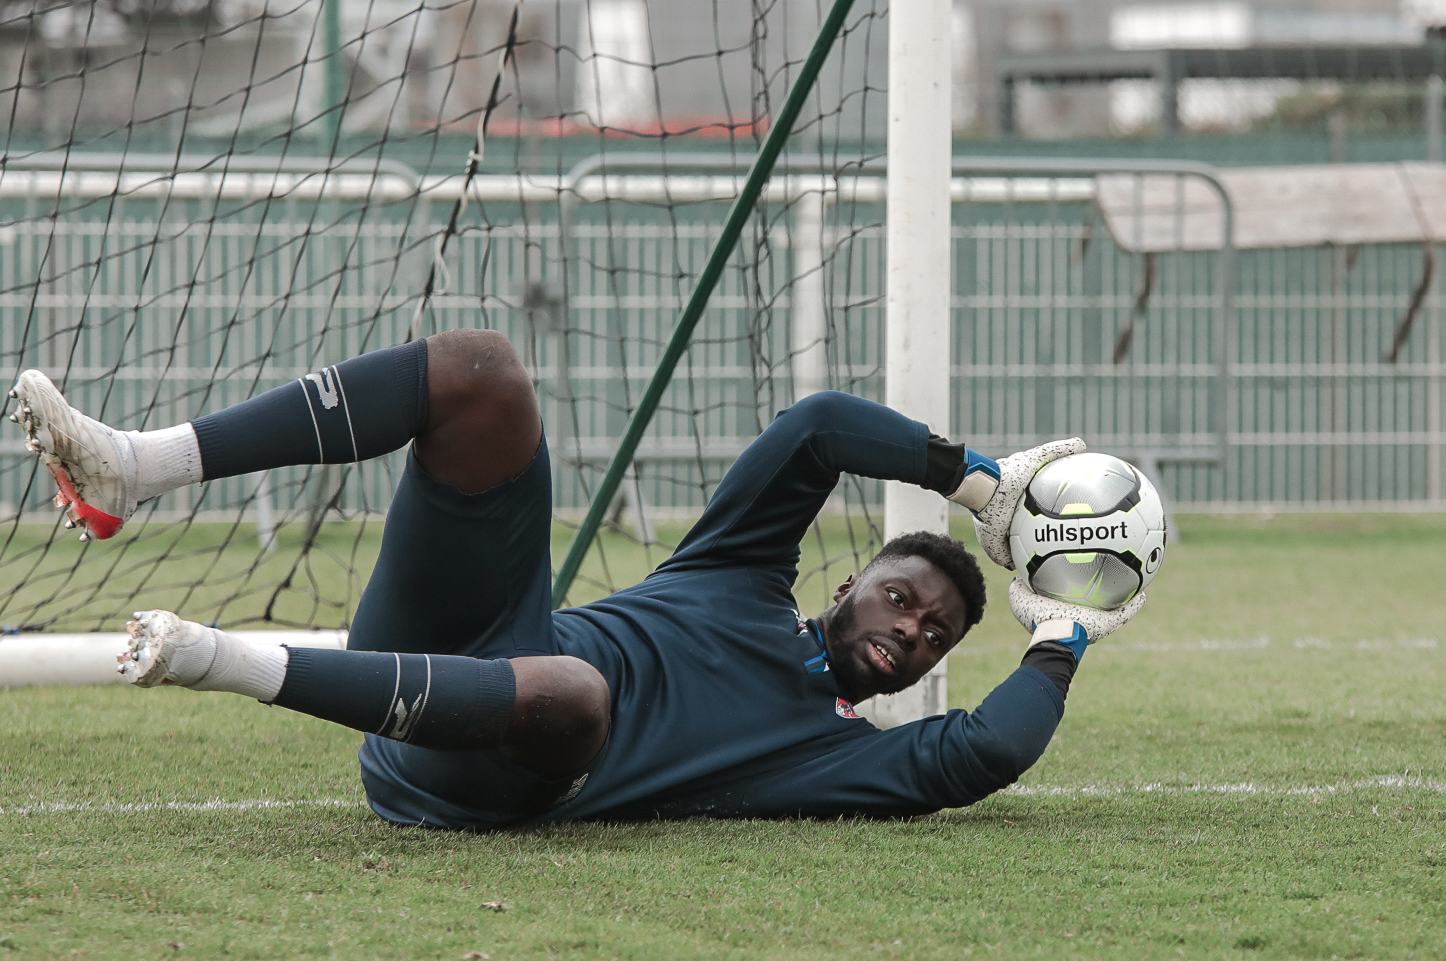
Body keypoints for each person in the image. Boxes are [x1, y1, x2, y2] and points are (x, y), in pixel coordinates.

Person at [8, 329, 1143, 828]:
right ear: (845, 584)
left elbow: (982, 756)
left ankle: (220, 661)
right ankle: (139, 468)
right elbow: (817, 426)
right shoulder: (740, 573)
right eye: (903, 596)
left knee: (573, 696)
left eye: (937, 635)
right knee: (483, 376)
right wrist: (976, 483)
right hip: (470, 638)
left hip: (492, 772)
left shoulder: (834, 750)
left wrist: (1060, 633)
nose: (914, 630)